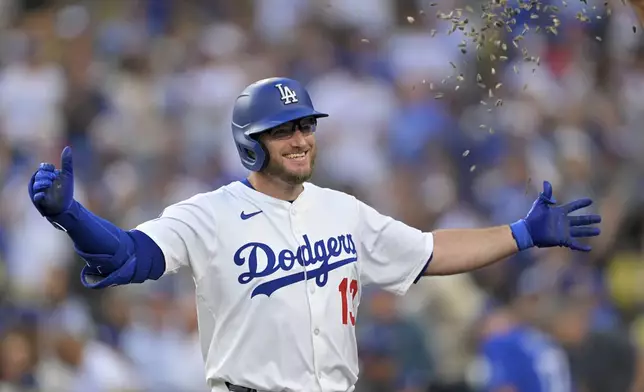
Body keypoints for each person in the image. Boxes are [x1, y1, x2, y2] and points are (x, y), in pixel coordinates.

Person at [27, 77, 601, 392]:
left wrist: (521, 233)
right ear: (250, 143)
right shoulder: (209, 213)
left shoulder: (341, 210)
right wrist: (71, 216)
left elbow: (430, 251)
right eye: (283, 130)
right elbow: (129, 256)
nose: (301, 138)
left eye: (306, 125)